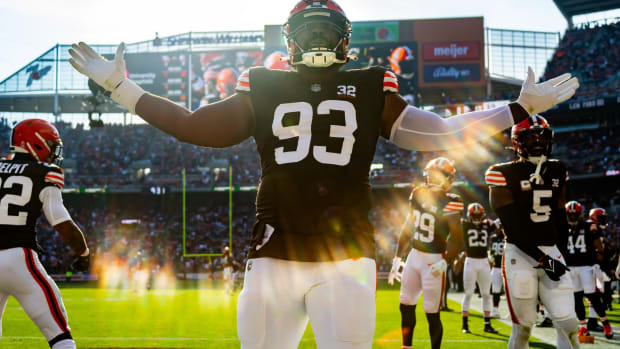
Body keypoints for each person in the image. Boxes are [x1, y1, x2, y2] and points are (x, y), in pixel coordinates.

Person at [69, 0, 578, 347]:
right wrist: (514, 109)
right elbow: (442, 133)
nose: (316, 39)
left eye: (322, 31)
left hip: (287, 258)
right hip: (334, 258)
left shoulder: (265, 85)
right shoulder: (367, 83)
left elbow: (190, 124)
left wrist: (122, 88)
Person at [485, 115, 579, 349]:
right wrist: (545, 261)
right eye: (531, 136)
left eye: (542, 135)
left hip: (551, 250)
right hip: (521, 255)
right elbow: (514, 230)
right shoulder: (501, 172)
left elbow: (559, 215)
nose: (538, 141)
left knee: (569, 323)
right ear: (517, 142)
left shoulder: (558, 169)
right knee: (524, 327)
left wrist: (561, 254)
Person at [0, 119, 90, 349]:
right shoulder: (44, 173)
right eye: (50, 144)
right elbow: (61, 223)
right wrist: (83, 253)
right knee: (59, 335)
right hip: (18, 258)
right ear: (36, 143)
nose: (52, 150)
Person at [388, 157, 464, 349]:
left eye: (437, 175)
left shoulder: (452, 201)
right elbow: (407, 226)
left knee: (432, 312)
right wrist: (397, 257)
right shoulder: (418, 192)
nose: (432, 178)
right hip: (414, 255)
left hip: (434, 260)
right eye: (431, 174)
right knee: (405, 304)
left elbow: (457, 239)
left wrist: (446, 261)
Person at [563, 201, 613, 340]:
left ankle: (605, 324)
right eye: (570, 214)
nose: (572, 217)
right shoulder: (563, 228)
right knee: (576, 297)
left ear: (580, 214)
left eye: (575, 214)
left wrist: (599, 256)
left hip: (586, 266)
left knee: (592, 296)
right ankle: (583, 327)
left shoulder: (589, 226)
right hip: (571, 267)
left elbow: (599, 246)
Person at [460, 203, 498, 334]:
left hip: (484, 262)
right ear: (469, 215)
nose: (476, 217)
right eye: (474, 215)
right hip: (470, 261)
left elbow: (500, 225)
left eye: (478, 215)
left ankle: (487, 324)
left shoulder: (488, 224)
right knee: (468, 293)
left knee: (486, 294)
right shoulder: (464, 224)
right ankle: (465, 325)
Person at [489, 219, 505, 319]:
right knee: (495, 290)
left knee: (510, 292)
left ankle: (513, 312)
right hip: (496, 267)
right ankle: (495, 310)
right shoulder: (493, 238)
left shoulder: (508, 237)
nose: (497, 229)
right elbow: (491, 252)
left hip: (506, 268)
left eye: (499, 227)